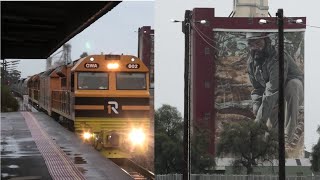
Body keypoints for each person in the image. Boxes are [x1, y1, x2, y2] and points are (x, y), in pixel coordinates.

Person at [246, 32, 304, 149]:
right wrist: (256, 106)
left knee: (292, 85)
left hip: (291, 90)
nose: (255, 47)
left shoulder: (277, 57)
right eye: (252, 44)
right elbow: (257, 88)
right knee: (272, 137)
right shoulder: (251, 63)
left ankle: (289, 136)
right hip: (273, 93)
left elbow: (273, 89)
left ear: (266, 41)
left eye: (258, 42)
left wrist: (258, 124)